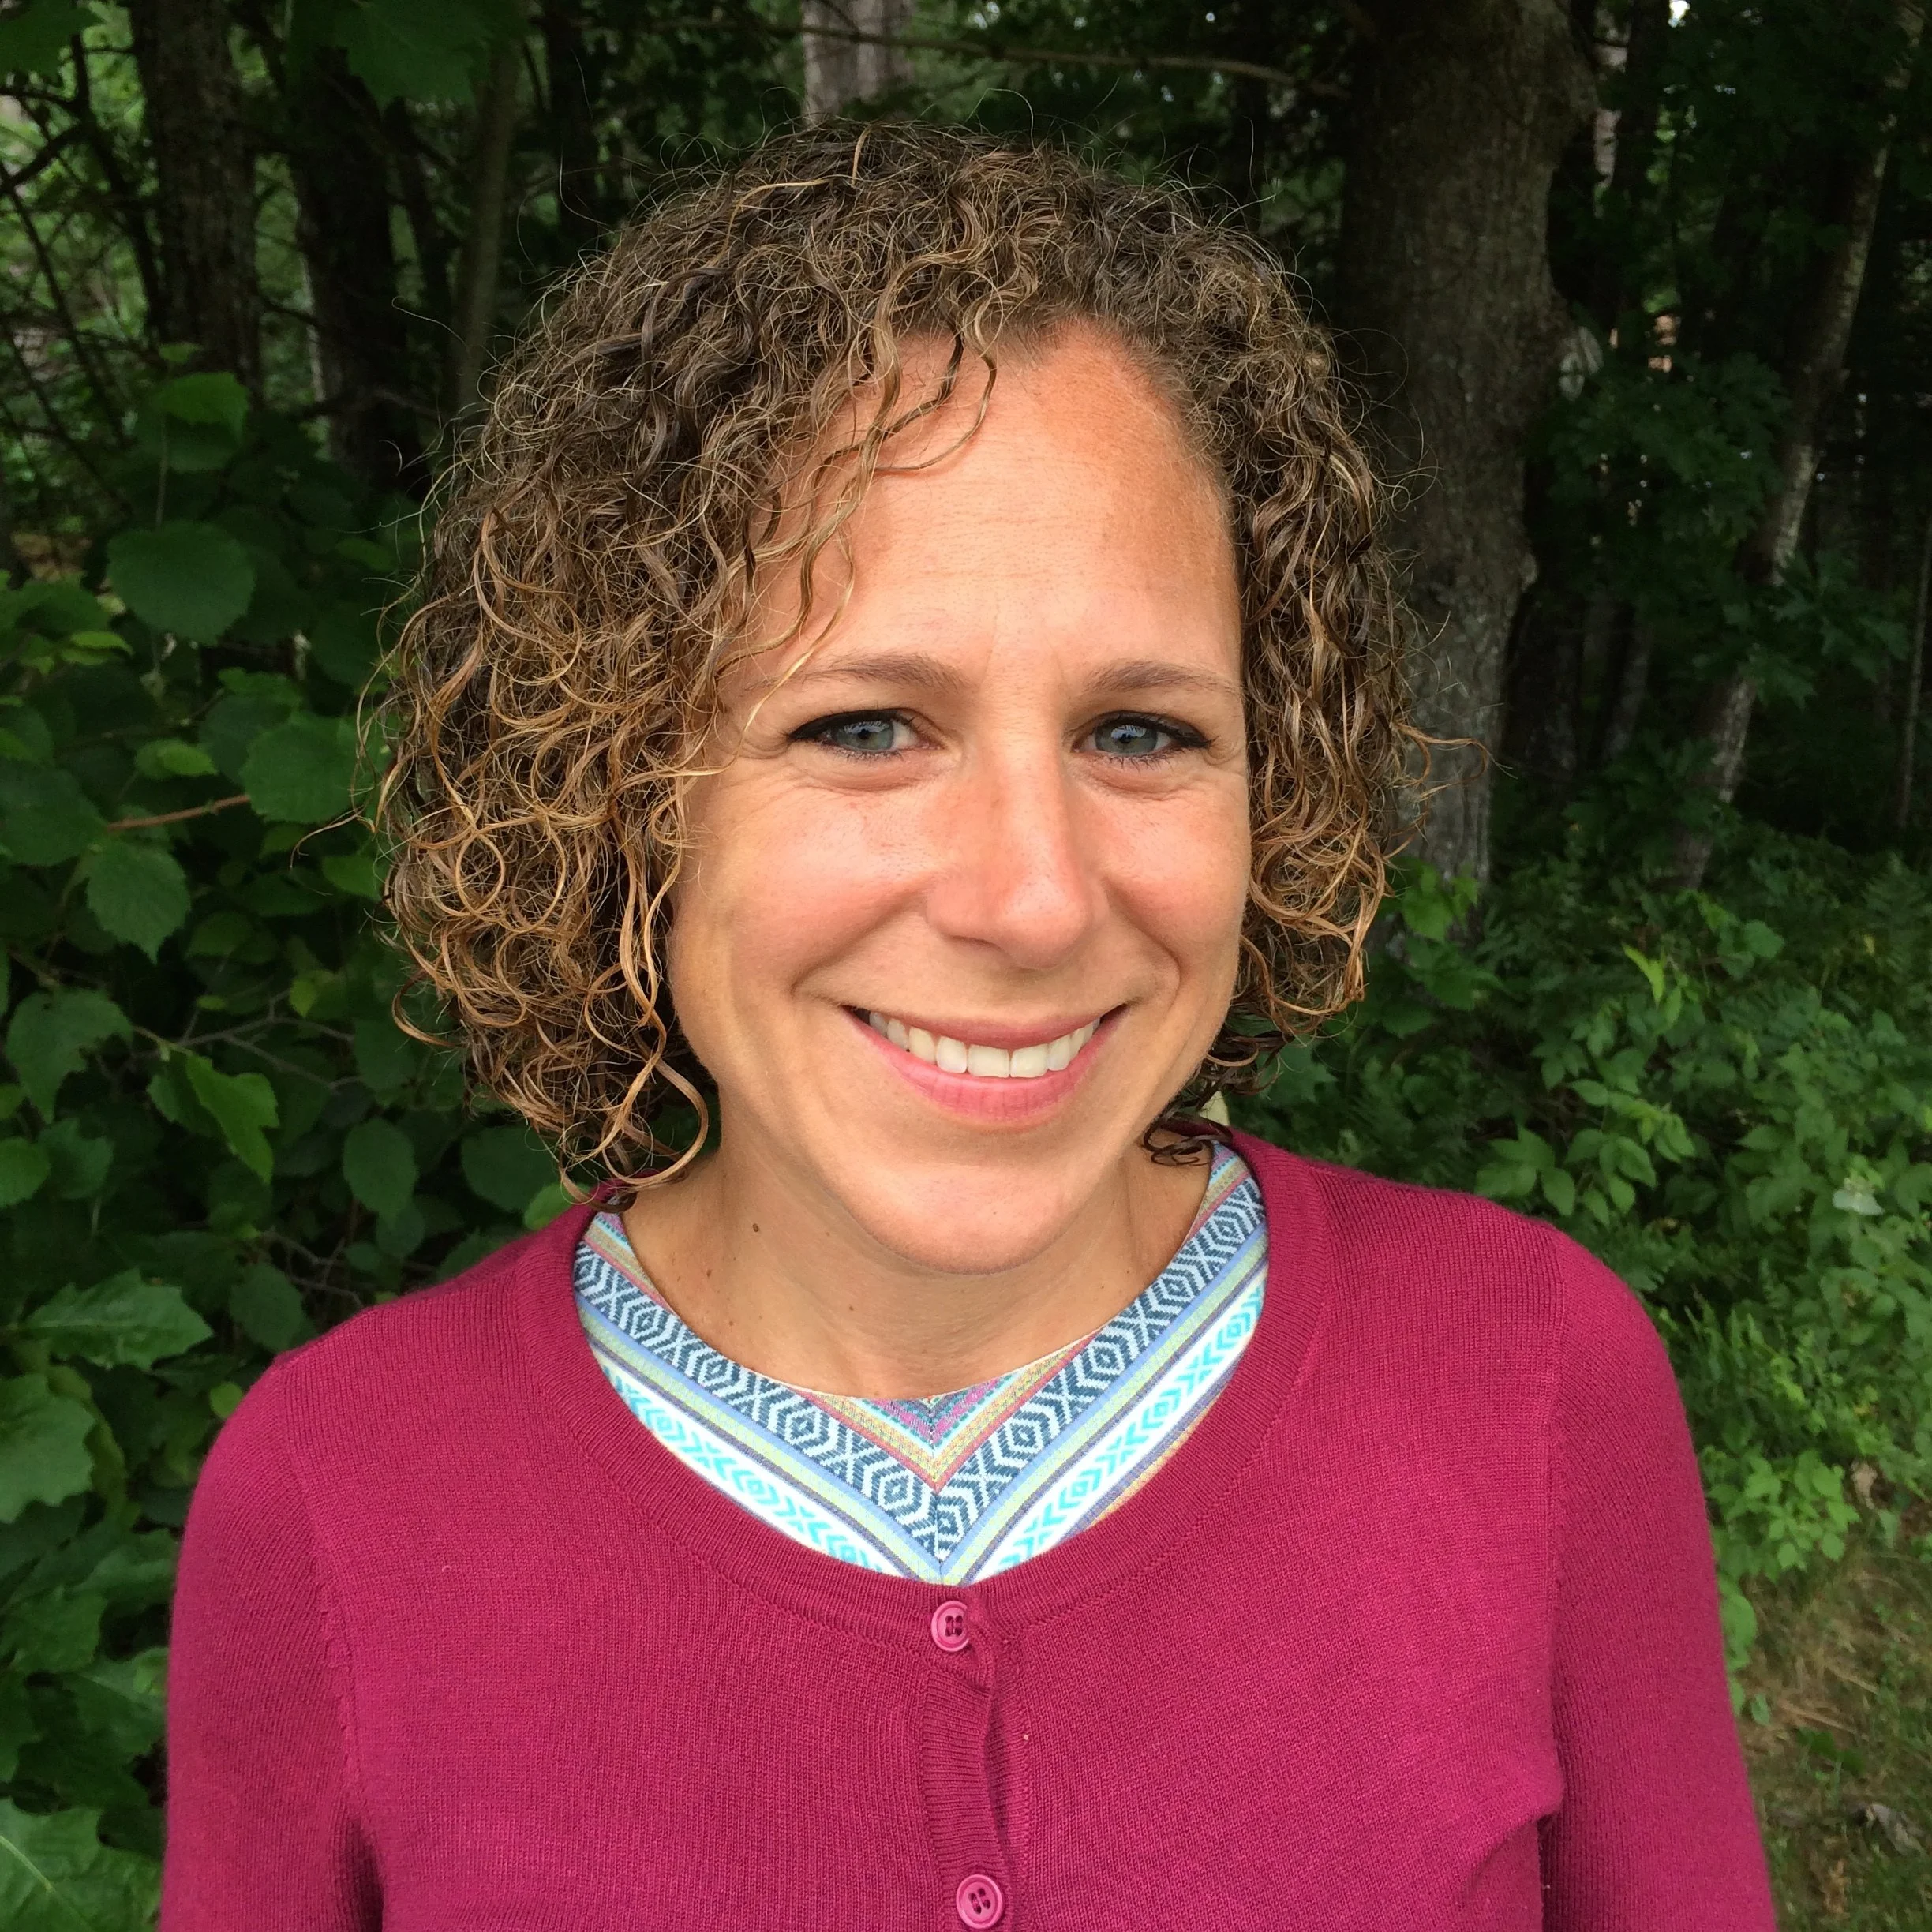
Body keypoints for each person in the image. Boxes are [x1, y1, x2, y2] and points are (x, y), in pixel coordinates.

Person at [162, 123, 1775, 1930]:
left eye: (1141, 732)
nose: (1031, 896)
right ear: (620, 783)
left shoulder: (1536, 1384)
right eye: (866, 726)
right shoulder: (332, 1507)